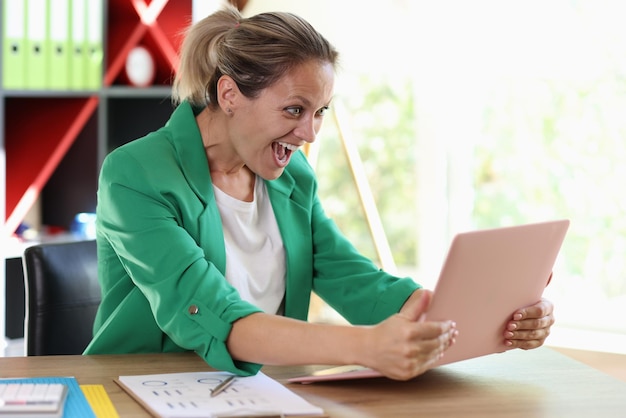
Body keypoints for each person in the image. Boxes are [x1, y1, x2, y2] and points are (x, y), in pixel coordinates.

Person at [84, 5, 555, 380]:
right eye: (294, 109)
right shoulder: (134, 175)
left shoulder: (291, 178)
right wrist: (363, 346)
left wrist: (488, 316)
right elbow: (211, 310)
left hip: (259, 390)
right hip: (142, 388)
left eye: (321, 111)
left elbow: (354, 279)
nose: (309, 133)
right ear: (229, 96)